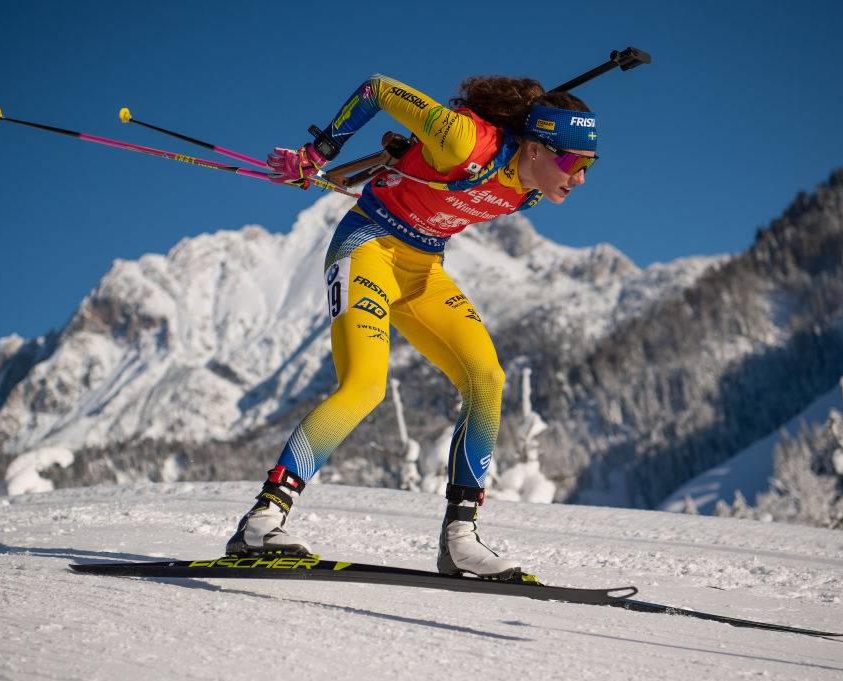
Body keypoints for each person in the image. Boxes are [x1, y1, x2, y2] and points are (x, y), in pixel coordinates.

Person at [226, 73, 598, 579]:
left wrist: (411, 158)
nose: (580, 179)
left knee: (486, 379)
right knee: (364, 386)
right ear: (535, 147)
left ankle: (460, 541)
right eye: (573, 163)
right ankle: (263, 520)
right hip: (368, 246)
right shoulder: (464, 140)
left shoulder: (530, 190)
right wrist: (317, 153)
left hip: (422, 269)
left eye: (589, 165)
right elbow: (378, 89)